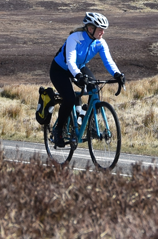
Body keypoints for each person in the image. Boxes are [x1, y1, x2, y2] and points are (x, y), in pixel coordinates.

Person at [49, 11, 125, 147]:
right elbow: (70, 61)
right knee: (70, 98)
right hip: (60, 69)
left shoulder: (100, 43)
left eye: (103, 30)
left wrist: (117, 74)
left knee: (94, 89)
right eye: (101, 29)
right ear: (90, 29)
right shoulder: (75, 38)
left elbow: (109, 61)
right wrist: (78, 76)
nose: (103, 33)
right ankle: (58, 130)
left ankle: (90, 124)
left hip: (79, 67)